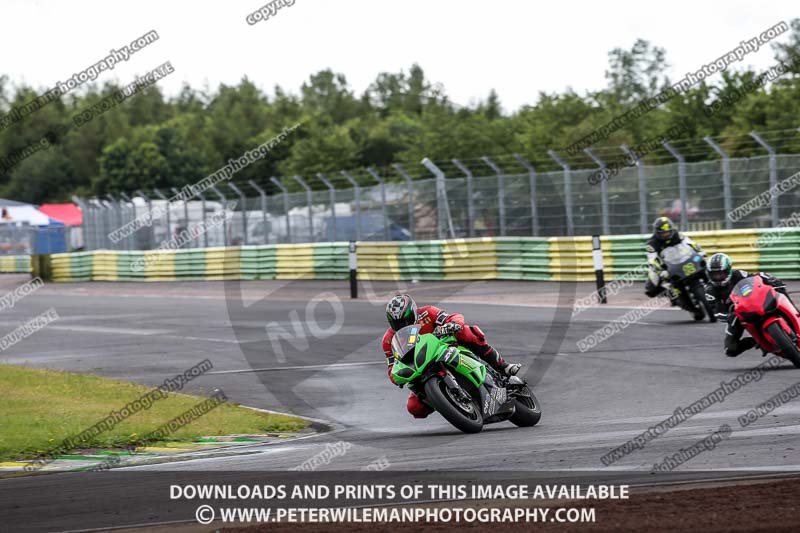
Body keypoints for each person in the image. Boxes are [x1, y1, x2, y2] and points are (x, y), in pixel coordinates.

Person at [382, 294, 521, 418]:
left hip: (443, 347)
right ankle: (449, 402)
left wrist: (452, 324)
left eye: (405, 321)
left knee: (467, 331)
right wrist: (397, 377)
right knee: (414, 407)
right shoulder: (389, 340)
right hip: (418, 369)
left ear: (413, 313)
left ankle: (503, 366)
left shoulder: (427, 312)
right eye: (397, 323)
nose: (402, 325)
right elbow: (391, 367)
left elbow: (454, 317)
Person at [705, 252, 789, 357]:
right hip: (738, 316)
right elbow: (716, 312)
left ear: (728, 271)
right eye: (714, 275)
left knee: (778, 291)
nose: (718, 277)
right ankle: (756, 340)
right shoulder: (710, 291)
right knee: (730, 350)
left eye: (720, 274)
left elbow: (756, 278)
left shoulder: (738, 274)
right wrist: (728, 316)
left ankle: (795, 313)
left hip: (755, 302)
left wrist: (769, 279)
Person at [644, 217, 705, 305]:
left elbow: (691, 243)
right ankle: (671, 294)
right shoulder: (652, 244)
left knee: (704, 265)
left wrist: (700, 252)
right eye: (663, 233)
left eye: (667, 232)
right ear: (657, 232)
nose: (666, 234)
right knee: (651, 289)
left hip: (682, 260)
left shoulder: (677, 235)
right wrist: (660, 271)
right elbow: (652, 260)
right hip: (664, 267)